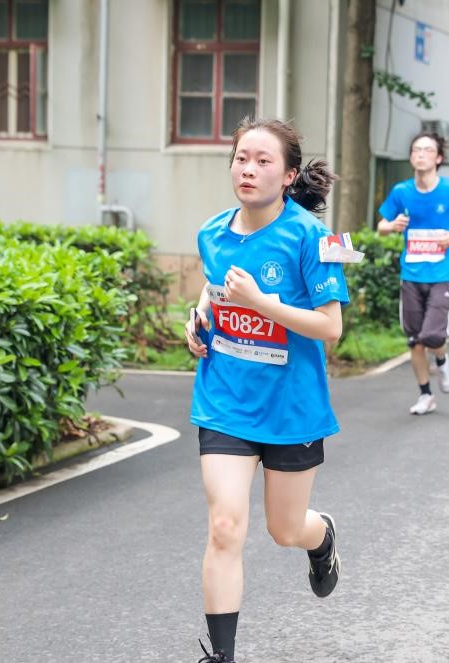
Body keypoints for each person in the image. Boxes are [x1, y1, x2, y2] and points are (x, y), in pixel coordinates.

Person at [184, 118, 349, 663]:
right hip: (225, 400)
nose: (248, 170)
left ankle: (320, 537)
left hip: (292, 410)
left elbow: (330, 327)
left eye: (263, 161)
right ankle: (221, 656)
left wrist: (260, 303)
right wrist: (198, 319)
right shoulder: (212, 232)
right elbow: (215, 288)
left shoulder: (312, 238)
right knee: (225, 526)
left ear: (289, 174)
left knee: (284, 529)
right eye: (241, 158)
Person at [376, 132, 449, 415]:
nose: (420, 154)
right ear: (411, 157)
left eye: (427, 150)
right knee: (415, 341)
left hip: (443, 273)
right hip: (411, 273)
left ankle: (443, 361)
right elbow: (381, 226)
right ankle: (425, 394)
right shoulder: (401, 191)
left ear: (438, 158)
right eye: (416, 150)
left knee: (431, 335)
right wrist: (392, 226)